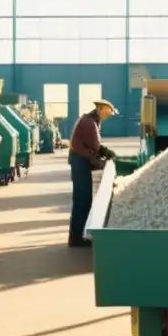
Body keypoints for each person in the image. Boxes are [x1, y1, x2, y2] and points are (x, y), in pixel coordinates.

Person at [67, 99, 118, 247]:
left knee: (81, 200)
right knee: (82, 201)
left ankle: (77, 237)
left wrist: (104, 153)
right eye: (108, 112)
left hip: (79, 161)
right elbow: (94, 146)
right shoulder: (90, 123)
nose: (108, 115)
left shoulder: (90, 120)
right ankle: (77, 239)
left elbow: (93, 146)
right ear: (101, 109)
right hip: (80, 162)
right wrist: (105, 155)